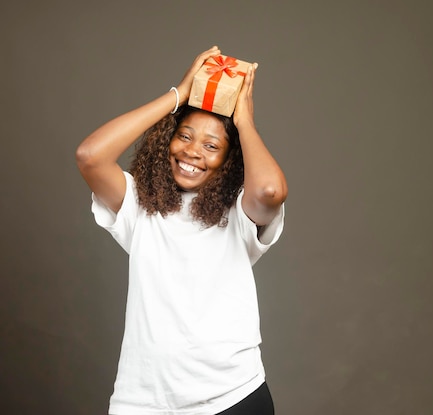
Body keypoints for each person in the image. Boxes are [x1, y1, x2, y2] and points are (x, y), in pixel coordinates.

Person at [76, 46, 288, 415]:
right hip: (144, 403)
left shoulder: (240, 213)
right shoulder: (139, 206)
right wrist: (179, 94)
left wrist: (244, 122)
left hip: (232, 396)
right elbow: (90, 156)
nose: (193, 152)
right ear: (168, 139)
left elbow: (271, 190)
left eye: (211, 146)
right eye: (185, 136)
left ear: (228, 159)